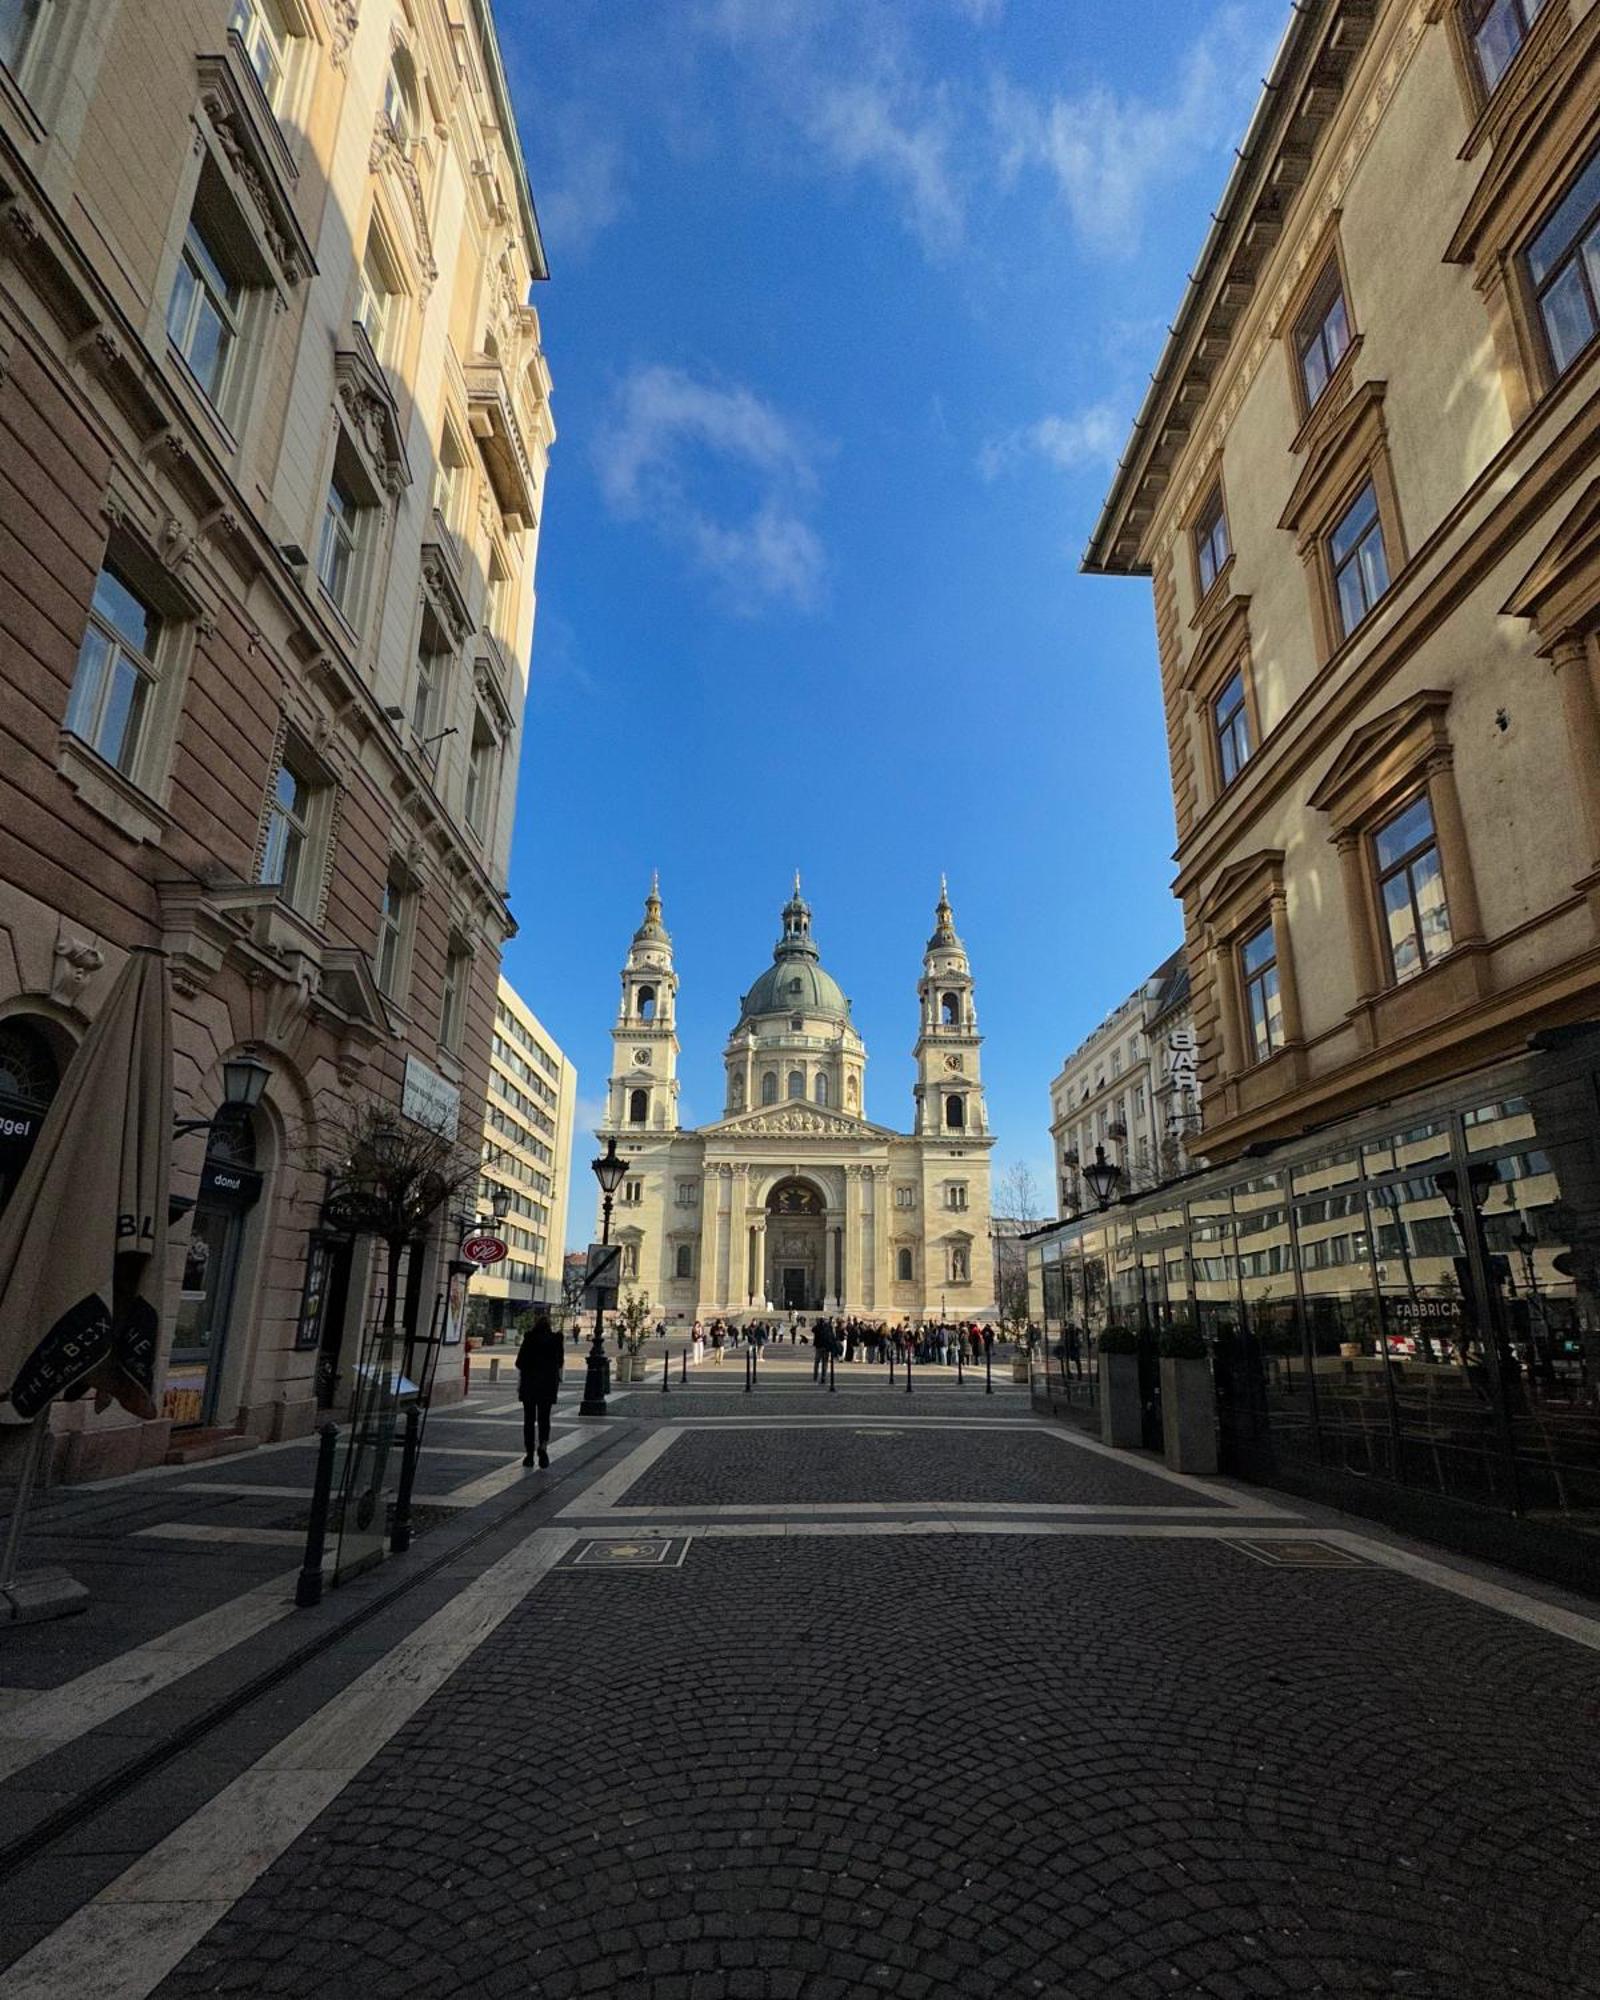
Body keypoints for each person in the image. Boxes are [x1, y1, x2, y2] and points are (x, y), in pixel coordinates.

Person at [515, 1310, 564, 1468]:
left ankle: (529, 1454)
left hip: (530, 1385)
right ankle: (543, 1446)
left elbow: (519, 1362)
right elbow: (560, 1362)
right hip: (548, 1386)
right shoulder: (556, 1340)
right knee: (544, 1418)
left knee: (529, 1420)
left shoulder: (529, 1338)